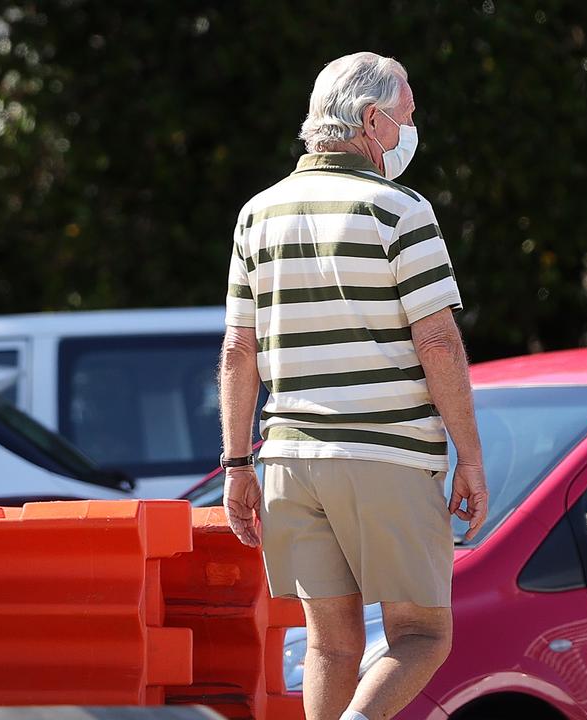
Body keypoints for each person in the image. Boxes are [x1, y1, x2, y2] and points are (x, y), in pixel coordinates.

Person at [217, 51, 487, 720]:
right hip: (386, 457)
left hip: (289, 461)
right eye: (407, 115)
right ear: (372, 120)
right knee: (421, 634)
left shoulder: (258, 214)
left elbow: (238, 349)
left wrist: (236, 463)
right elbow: (438, 342)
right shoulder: (399, 210)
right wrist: (471, 459)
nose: (412, 127)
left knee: (331, 645)